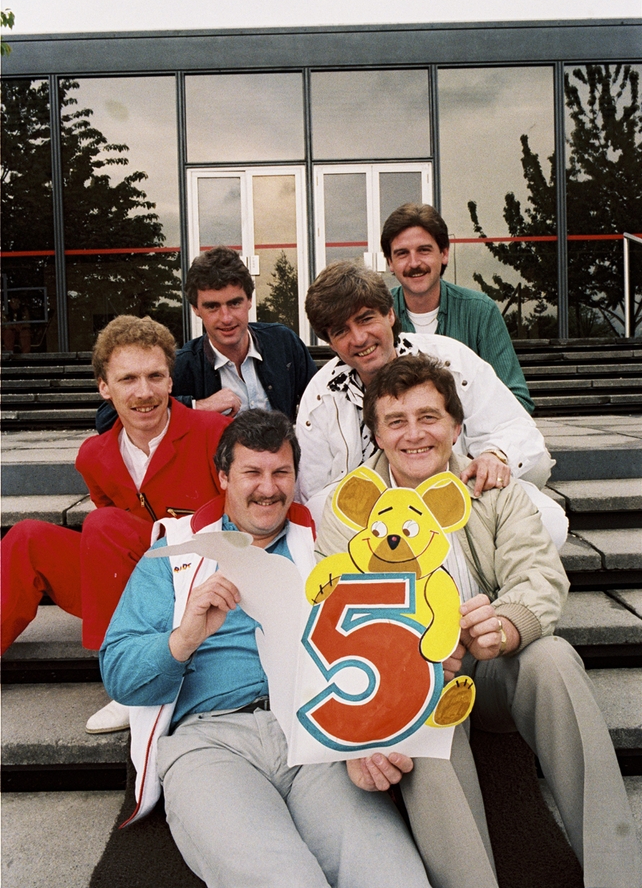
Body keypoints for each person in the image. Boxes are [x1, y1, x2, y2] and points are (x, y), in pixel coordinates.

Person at [315, 354, 641, 888]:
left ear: (456, 426)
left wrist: (506, 627)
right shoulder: (351, 507)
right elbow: (336, 613)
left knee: (554, 657)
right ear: (376, 434)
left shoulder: (493, 489)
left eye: (429, 417)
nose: (414, 434)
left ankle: (618, 875)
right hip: (413, 678)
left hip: (492, 668)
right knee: (419, 711)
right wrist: (405, 665)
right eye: (396, 421)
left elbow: (538, 573)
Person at [100, 410, 432, 888]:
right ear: (222, 477)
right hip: (211, 740)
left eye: (281, 472)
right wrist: (185, 637)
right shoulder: (176, 551)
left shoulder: (329, 544)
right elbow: (121, 675)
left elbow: (381, 644)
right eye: (252, 472)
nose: (268, 488)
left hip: (314, 736)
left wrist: (363, 738)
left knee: (391, 875)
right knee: (281, 879)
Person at [1, 315, 230, 732]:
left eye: (155, 376)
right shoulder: (93, 455)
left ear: (170, 381)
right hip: (135, 583)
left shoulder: (216, 433)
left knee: (104, 522)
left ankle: (127, 677)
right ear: (104, 388)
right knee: (27, 537)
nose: (144, 392)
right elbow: (115, 540)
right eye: (128, 379)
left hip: (199, 583)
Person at [297, 261, 566, 546]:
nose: (359, 338)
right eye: (341, 331)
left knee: (548, 521)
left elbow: (517, 428)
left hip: (459, 499)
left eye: (365, 319)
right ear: (331, 343)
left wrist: (495, 456)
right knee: (316, 514)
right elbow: (314, 490)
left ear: (390, 314)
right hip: (374, 521)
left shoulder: (451, 361)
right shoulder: (320, 397)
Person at [95, 246, 317, 433]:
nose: (226, 317)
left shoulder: (282, 342)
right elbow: (106, 419)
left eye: (234, 303)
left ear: (249, 300)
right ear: (195, 309)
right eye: (212, 306)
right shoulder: (184, 363)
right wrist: (197, 406)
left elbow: (320, 401)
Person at [381, 203, 533, 413]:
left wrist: (457, 427)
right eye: (402, 253)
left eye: (424, 250)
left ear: (444, 253)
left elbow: (516, 400)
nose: (414, 263)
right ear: (390, 262)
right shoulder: (378, 315)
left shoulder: (480, 311)